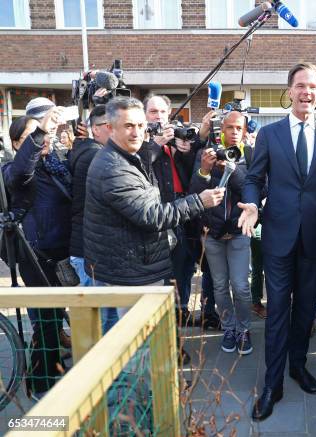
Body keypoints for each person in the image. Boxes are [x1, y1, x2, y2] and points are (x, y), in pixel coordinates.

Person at [240, 63, 316, 421]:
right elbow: (253, 178)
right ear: (289, 91)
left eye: (313, 87)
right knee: (277, 312)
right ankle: (272, 385)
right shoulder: (270, 134)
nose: (307, 92)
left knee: (305, 310)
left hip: (315, 238)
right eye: (301, 86)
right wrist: (252, 204)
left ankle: (298, 366)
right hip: (278, 238)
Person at [83, 97, 224, 296]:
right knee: (130, 325)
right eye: (129, 126)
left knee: (180, 278)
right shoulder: (115, 166)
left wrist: (188, 148)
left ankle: (180, 313)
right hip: (129, 271)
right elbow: (151, 215)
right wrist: (201, 201)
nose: (137, 132)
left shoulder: (126, 155)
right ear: (110, 127)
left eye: (141, 125)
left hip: (142, 257)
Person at [4, 107, 72, 397]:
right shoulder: (12, 170)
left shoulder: (53, 164)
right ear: (17, 143)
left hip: (60, 252)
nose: (41, 139)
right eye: (32, 135)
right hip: (36, 256)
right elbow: (21, 170)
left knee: (55, 319)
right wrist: (42, 131)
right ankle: (41, 385)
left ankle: (52, 366)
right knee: (45, 323)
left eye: (42, 132)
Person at [189, 111, 258, 355]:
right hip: (212, 233)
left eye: (238, 128)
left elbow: (255, 189)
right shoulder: (204, 153)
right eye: (229, 127)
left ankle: (244, 329)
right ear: (221, 129)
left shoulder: (250, 155)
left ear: (245, 130)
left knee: (240, 286)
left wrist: (232, 169)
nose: (234, 132)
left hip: (239, 231)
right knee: (219, 286)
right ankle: (229, 328)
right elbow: (194, 193)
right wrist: (206, 170)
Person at [142, 95, 198, 324]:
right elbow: (140, 163)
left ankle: (182, 309)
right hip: (160, 208)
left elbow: (190, 172)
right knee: (165, 269)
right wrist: (157, 143)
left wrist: (185, 150)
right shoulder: (142, 138)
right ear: (145, 115)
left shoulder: (175, 137)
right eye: (153, 112)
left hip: (184, 206)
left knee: (184, 263)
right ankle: (168, 321)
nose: (158, 116)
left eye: (162, 112)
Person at [68, 105, 118, 333]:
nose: (113, 130)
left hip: (87, 250)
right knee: (101, 323)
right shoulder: (95, 156)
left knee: (100, 320)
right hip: (89, 253)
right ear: (94, 130)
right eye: (108, 126)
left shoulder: (83, 149)